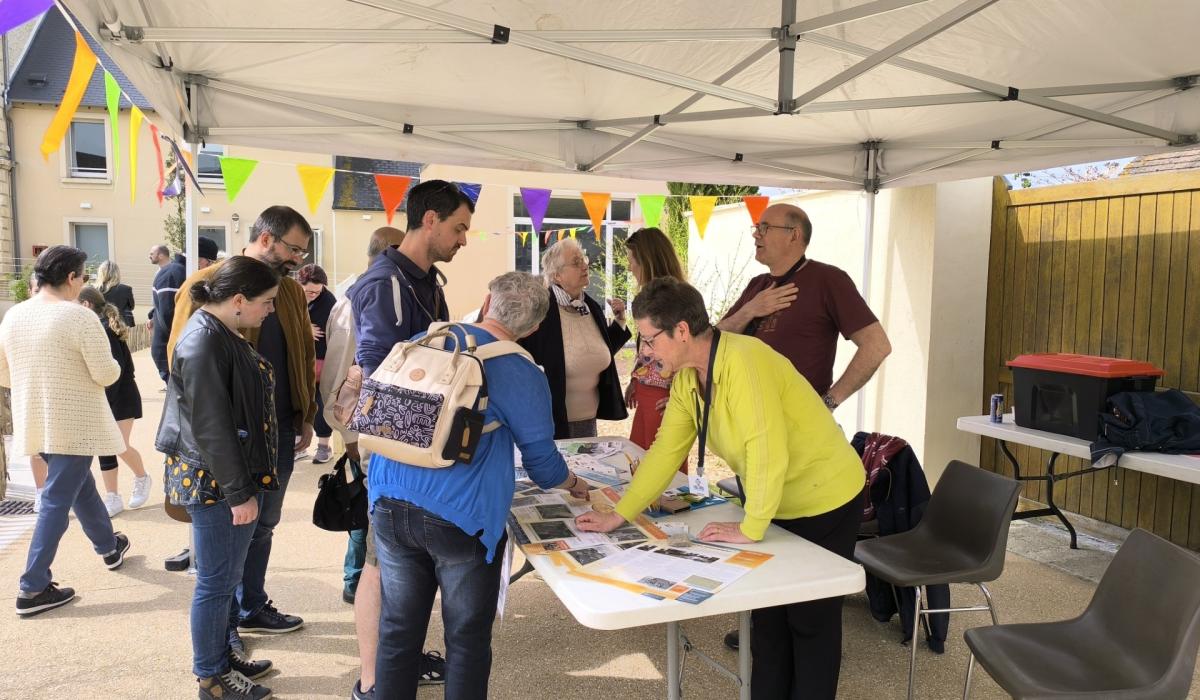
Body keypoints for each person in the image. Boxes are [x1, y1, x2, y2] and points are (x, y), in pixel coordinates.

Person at [576, 277, 866, 700]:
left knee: (810, 622)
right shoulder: (688, 377)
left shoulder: (745, 362)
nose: (645, 351)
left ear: (681, 331)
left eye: (650, 340)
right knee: (767, 621)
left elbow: (766, 448)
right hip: (776, 503)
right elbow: (663, 451)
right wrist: (619, 515)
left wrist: (751, 527)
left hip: (826, 498)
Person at [372, 271, 590, 700]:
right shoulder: (519, 370)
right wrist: (574, 482)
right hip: (459, 517)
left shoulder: (428, 338)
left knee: (398, 630)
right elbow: (543, 465)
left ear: (487, 303)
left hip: (388, 500)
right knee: (467, 640)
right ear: (533, 328)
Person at [716, 202, 891, 651]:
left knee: (805, 549)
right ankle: (766, 624)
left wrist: (830, 399)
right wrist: (750, 309)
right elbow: (713, 342)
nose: (755, 234)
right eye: (756, 227)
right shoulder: (757, 285)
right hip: (753, 440)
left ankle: (805, 640)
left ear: (794, 234)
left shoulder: (827, 279)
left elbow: (876, 345)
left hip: (802, 446)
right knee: (763, 535)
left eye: (764, 227)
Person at [348, 181, 473, 698]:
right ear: (429, 221)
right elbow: (380, 373)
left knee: (398, 572)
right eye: (459, 228)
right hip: (396, 455)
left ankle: (390, 671)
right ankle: (373, 680)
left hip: (419, 449)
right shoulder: (383, 284)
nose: (464, 239)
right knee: (380, 568)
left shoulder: (427, 281)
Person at [170, 208, 316, 643]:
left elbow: (304, 353)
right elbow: (182, 366)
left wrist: (305, 415)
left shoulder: (287, 291)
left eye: (303, 251)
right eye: (293, 248)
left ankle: (251, 605)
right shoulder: (210, 285)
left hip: (280, 433)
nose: (297, 259)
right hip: (233, 445)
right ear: (267, 239)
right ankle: (224, 629)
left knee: (263, 527)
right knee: (233, 537)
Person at [156, 255, 282, 700]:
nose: (270, 311)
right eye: (266, 302)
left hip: (221, 479)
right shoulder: (204, 341)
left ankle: (221, 661)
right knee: (214, 582)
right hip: (215, 483)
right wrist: (238, 493)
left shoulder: (217, 333)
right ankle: (211, 676)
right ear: (239, 299)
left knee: (223, 579)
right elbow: (211, 426)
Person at [1, 245, 131, 617]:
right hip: (74, 420)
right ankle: (32, 586)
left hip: (34, 415)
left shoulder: (14, 315)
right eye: (83, 277)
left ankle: (109, 546)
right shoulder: (78, 316)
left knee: (79, 489)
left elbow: (4, 370)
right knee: (58, 499)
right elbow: (107, 373)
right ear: (72, 278)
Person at [321, 226, 405, 606]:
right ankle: (357, 582)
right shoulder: (355, 302)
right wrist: (351, 439)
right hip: (361, 431)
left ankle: (366, 581)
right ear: (388, 252)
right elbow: (336, 379)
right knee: (366, 506)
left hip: (382, 428)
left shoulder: (391, 292)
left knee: (374, 507)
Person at [518, 237, 631, 439]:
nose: (585, 266)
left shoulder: (591, 307)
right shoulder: (539, 311)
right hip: (552, 423)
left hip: (589, 422)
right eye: (576, 262)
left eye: (584, 259)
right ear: (557, 275)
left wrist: (620, 322)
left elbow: (595, 352)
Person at [77, 286, 151, 516]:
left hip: (120, 395)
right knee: (106, 446)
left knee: (118, 444)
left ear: (86, 305)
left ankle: (142, 477)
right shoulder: (96, 328)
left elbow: (114, 372)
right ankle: (112, 496)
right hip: (106, 395)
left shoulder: (104, 331)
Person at [622, 227, 687, 472]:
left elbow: (689, 352)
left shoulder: (679, 300)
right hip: (647, 393)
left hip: (665, 398)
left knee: (662, 471)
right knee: (639, 463)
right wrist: (635, 378)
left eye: (632, 261)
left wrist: (680, 396)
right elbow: (647, 347)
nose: (630, 268)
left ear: (647, 261)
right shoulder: (648, 299)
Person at [151, 237, 219, 382]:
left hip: (178, 349)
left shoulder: (178, 272)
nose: (210, 267)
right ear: (201, 260)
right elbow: (169, 315)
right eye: (211, 263)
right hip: (172, 350)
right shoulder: (175, 274)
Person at [297, 263, 337, 465]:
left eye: (316, 291)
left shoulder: (329, 301)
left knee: (321, 402)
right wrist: (305, 329)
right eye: (308, 291)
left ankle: (323, 446)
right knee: (299, 401)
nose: (312, 294)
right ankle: (299, 444)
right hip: (300, 359)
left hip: (322, 359)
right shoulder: (293, 295)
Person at [96, 260, 135, 327]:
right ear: (117, 273)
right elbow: (131, 307)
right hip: (122, 326)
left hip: (101, 326)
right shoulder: (126, 289)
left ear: (101, 273)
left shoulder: (94, 290)